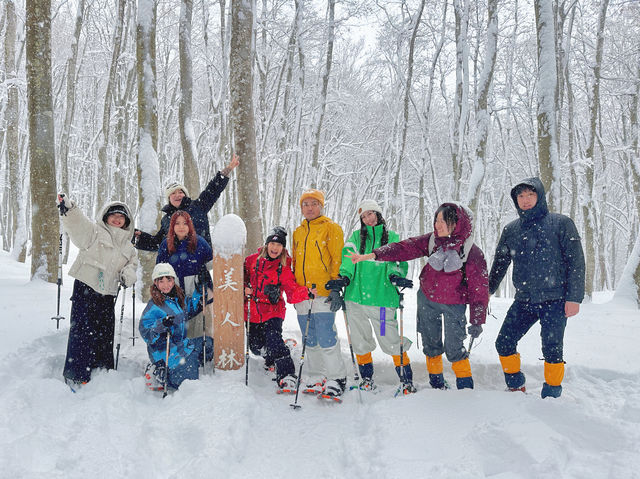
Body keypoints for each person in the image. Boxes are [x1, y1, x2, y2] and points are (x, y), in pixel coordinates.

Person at [347, 202, 489, 390]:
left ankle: (465, 388)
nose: (438, 225)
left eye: (443, 221)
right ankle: (436, 383)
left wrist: (477, 319)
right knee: (431, 344)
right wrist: (373, 255)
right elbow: (404, 248)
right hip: (427, 300)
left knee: (454, 348)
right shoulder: (432, 240)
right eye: (436, 220)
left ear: (457, 223)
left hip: (453, 304)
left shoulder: (471, 251)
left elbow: (479, 289)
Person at [489, 178, 585, 399]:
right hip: (524, 300)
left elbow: (576, 262)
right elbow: (500, 263)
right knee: (504, 342)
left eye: (530, 195)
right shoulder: (511, 229)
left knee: (552, 349)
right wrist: (487, 291)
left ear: (539, 196)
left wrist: (574, 298)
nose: (525, 200)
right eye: (520, 196)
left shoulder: (561, 223)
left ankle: (551, 395)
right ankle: (515, 385)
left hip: (556, 299)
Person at [332, 199, 415, 394]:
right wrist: (344, 276)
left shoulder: (392, 237)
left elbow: (398, 261)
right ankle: (367, 379)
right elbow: (348, 258)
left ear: (378, 214)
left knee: (390, 339)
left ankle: (406, 380)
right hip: (355, 300)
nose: (368, 219)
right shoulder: (354, 237)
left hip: (383, 301)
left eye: (370, 214)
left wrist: (395, 275)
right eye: (363, 216)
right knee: (360, 341)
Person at [57, 194, 138, 390]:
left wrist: (128, 275)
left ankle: (101, 366)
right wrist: (69, 209)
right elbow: (78, 225)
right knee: (82, 331)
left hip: (108, 292)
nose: (117, 219)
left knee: (104, 331)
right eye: (113, 216)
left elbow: (131, 266)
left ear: (127, 221)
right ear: (106, 217)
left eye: (121, 217)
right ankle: (77, 372)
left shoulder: (129, 246)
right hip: (86, 286)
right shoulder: (94, 232)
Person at [244, 227, 316, 392]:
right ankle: (271, 358)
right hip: (252, 310)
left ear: (283, 248)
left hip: (273, 310)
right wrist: (244, 288)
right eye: (272, 243)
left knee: (273, 338)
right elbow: (241, 277)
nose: (275, 248)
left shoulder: (282, 267)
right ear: (267, 244)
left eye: (279, 245)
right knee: (255, 347)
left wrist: (306, 292)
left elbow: (291, 290)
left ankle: (287, 374)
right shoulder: (251, 261)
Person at [291, 189, 348, 399]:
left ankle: (337, 377)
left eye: (314, 203)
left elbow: (337, 258)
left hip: (323, 293)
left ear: (321, 206)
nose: (309, 208)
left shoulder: (331, 228)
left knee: (326, 337)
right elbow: (295, 263)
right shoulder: (298, 232)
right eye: (305, 204)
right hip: (303, 294)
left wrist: (335, 286)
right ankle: (317, 376)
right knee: (310, 338)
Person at [134, 154, 239, 251]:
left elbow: (213, 190)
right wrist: (139, 237)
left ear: (185, 194)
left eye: (180, 192)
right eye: (173, 193)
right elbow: (157, 243)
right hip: (178, 264)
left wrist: (228, 169)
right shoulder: (166, 219)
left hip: (201, 260)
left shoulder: (198, 206)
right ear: (169, 198)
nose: (177, 195)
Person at [139, 263, 213, 392]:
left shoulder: (177, 298)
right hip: (166, 352)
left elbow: (191, 307)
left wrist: (201, 286)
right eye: (161, 281)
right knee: (189, 382)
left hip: (183, 345)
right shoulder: (153, 306)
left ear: (173, 280)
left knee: (209, 344)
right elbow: (146, 332)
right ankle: (161, 373)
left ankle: (190, 362)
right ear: (155, 283)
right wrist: (161, 325)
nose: (166, 284)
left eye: (169, 280)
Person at [157, 211, 213, 338]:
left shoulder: (200, 243)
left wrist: (205, 274)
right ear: (172, 226)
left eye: (185, 223)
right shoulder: (165, 245)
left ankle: (198, 353)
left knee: (196, 332)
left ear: (190, 225)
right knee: (178, 330)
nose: (181, 227)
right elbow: (158, 271)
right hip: (173, 292)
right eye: (177, 223)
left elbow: (213, 266)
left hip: (197, 292)